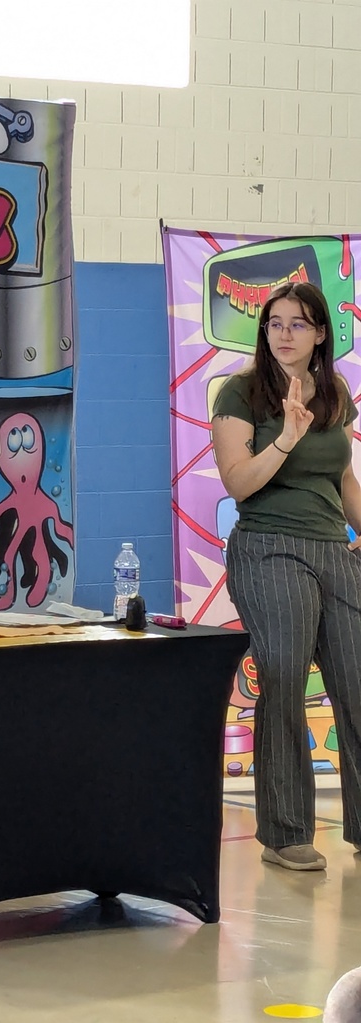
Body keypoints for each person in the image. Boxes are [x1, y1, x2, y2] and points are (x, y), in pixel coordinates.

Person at [212, 281, 361, 871]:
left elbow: (343, 481)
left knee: (356, 683)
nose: (284, 333)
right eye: (275, 323)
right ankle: (287, 832)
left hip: (333, 548)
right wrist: (285, 440)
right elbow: (237, 481)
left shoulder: (335, 395)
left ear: (320, 333)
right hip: (269, 547)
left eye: (298, 323)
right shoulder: (241, 391)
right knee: (283, 676)